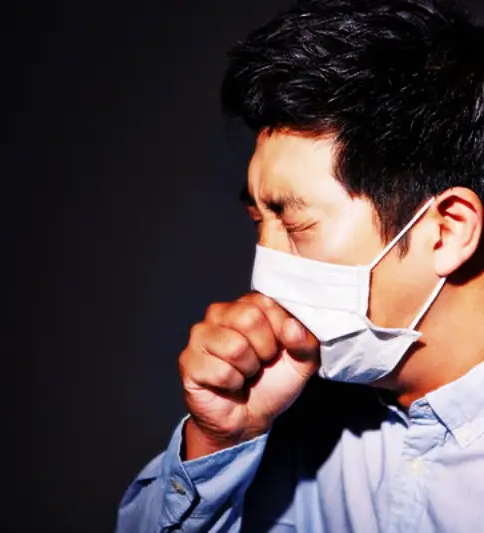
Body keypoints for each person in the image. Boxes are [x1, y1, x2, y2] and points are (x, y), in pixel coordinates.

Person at [116, 1, 484, 531]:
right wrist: (221, 441)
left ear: (447, 230)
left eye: (295, 223)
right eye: (258, 222)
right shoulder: (288, 419)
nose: (263, 278)